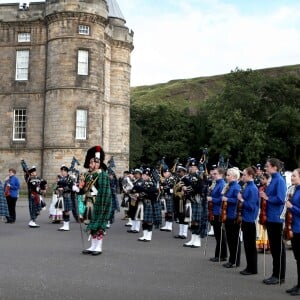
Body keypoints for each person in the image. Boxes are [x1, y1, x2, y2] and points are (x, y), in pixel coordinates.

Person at [74, 145, 112, 255]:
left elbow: (105, 192)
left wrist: (103, 205)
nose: (90, 164)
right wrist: (77, 189)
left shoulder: (102, 175)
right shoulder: (87, 175)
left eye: (93, 162)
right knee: (91, 224)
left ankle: (98, 247)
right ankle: (92, 246)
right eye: (90, 162)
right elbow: (84, 190)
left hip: (98, 203)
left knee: (99, 225)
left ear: (98, 164)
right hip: (89, 203)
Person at [260, 157, 286, 285]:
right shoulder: (273, 179)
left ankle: (278, 275)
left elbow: (281, 199)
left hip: (276, 218)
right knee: (275, 248)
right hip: (270, 216)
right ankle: (276, 274)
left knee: (277, 248)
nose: (266, 168)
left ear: (275, 167)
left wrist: (267, 197)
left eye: (268, 166)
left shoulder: (279, 180)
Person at [238, 166, 260, 275]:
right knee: (247, 245)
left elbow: (251, 206)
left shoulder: (252, 188)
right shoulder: (248, 186)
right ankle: (249, 267)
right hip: (246, 218)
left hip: (250, 219)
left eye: (244, 175)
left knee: (250, 245)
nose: (243, 176)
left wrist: (241, 199)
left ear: (251, 176)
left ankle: (252, 268)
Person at [222, 167, 241, 268]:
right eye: (227, 175)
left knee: (234, 239)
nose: (227, 177)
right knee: (230, 239)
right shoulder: (229, 186)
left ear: (234, 177)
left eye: (229, 175)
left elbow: (238, 201)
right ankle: (232, 259)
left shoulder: (236, 187)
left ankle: (234, 260)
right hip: (227, 214)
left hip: (233, 215)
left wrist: (227, 199)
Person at [207, 167, 227, 262]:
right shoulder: (216, 183)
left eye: (215, 174)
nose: (213, 175)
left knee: (220, 235)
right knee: (218, 235)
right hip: (214, 210)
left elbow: (221, 199)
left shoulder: (222, 184)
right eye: (213, 173)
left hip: (218, 211)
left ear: (221, 174)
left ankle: (220, 255)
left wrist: (212, 199)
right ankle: (221, 254)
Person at [285, 168, 300, 295]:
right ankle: (298, 284)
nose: (292, 177)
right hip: (294, 228)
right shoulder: (295, 190)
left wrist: (292, 207)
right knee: (298, 259)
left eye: (294, 176)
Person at [22, 163, 47, 228]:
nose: (34, 173)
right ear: (31, 173)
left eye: (35, 171)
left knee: (38, 209)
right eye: (33, 172)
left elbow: (43, 183)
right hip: (33, 195)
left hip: (38, 196)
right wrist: (23, 163)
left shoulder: (38, 178)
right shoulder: (29, 179)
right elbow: (35, 187)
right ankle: (32, 221)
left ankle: (32, 221)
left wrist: (44, 188)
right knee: (34, 209)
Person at [137, 168, 159, 242]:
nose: (143, 176)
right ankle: (144, 235)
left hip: (149, 203)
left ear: (148, 176)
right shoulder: (142, 182)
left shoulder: (151, 183)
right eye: (143, 174)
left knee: (149, 220)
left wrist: (141, 193)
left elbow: (152, 193)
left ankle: (149, 236)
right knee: (143, 220)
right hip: (142, 202)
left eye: (145, 175)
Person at [173, 164, 192, 240]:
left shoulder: (186, 180)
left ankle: (184, 233)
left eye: (180, 172)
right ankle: (180, 233)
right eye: (178, 172)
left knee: (184, 217)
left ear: (184, 172)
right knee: (180, 216)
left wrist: (185, 190)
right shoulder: (178, 180)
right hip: (178, 200)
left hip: (184, 200)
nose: (178, 173)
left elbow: (190, 188)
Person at [56, 165, 74, 231]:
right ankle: (64, 225)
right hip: (61, 196)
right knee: (63, 211)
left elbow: (70, 187)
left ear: (66, 171)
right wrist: (57, 189)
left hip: (67, 196)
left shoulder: (70, 178)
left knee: (66, 211)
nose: (62, 172)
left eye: (63, 171)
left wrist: (63, 189)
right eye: (61, 171)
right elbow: (57, 186)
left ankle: (67, 225)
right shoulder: (61, 178)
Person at [256, 172, 270, 253]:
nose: (261, 180)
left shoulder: (268, 188)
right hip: (261, 209)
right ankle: (261, 246)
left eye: (263, 179)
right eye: (261, 178)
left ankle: (267, 246)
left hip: (266, 210)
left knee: (266, 230)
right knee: (260, 229)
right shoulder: (261, 188)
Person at [127, 169, 144, 234]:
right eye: (135, 174)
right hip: (133, 198)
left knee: (137, 213)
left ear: (140, 174)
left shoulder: (141, 181)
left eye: (137, 174)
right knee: (133, 213)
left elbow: (139, 190)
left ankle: (136, 228)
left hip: (138, 199)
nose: (136, 175)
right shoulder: (135, 181)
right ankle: (133, 228)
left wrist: (132, 190)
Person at [159, 167, 175, 232]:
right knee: (166, 211)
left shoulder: (171, 179)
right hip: (165, 196)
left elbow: (171, 186)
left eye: (166, 172)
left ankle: (170, 226)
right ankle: (166, 225)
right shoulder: (165, 179)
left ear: (169, 173)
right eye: (164, 173)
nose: (165, 174)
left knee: (170, 211)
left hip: (170, 197)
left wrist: (163, 186)